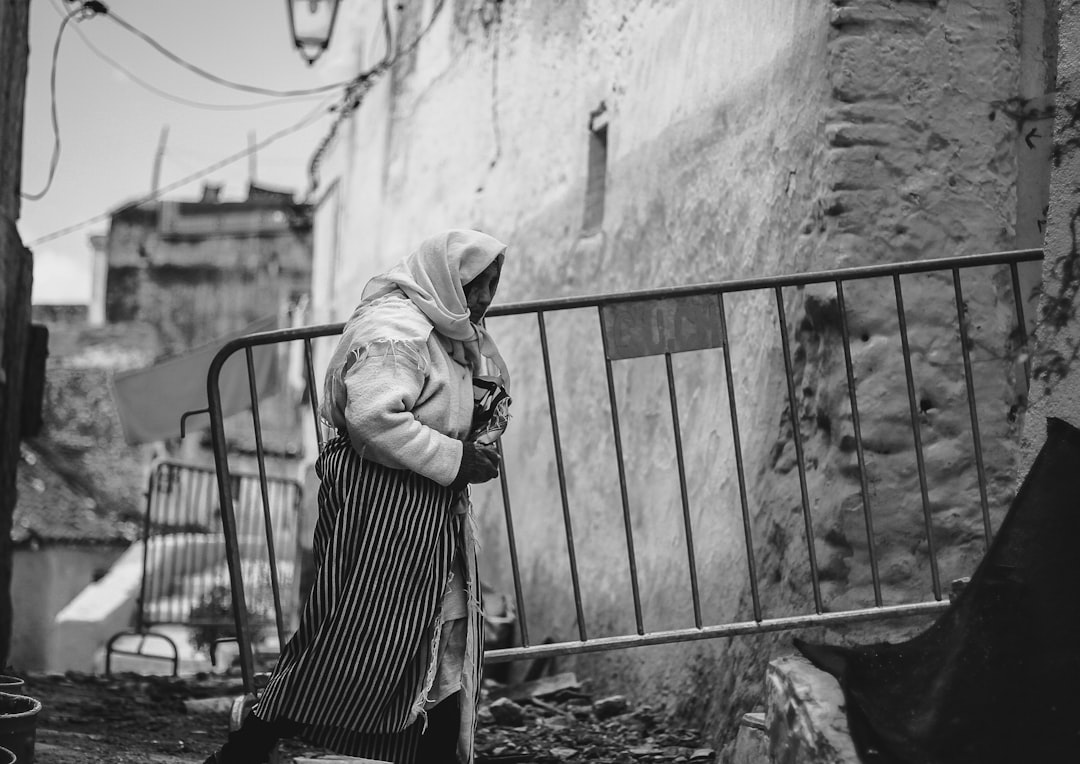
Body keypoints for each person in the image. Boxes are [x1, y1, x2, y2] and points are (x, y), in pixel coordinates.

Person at [204, 229, 512, 764]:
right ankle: (249, 742)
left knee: (443, 634)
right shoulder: (396, 331)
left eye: (492, 283)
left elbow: (457, 402)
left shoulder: (453, 335)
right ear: (445, 277)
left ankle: (431, 752)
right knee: (355, 634)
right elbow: (372, 420)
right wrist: (459, 459)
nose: (484, 297)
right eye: (474, 283)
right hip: (382, 509)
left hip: (429, 511)